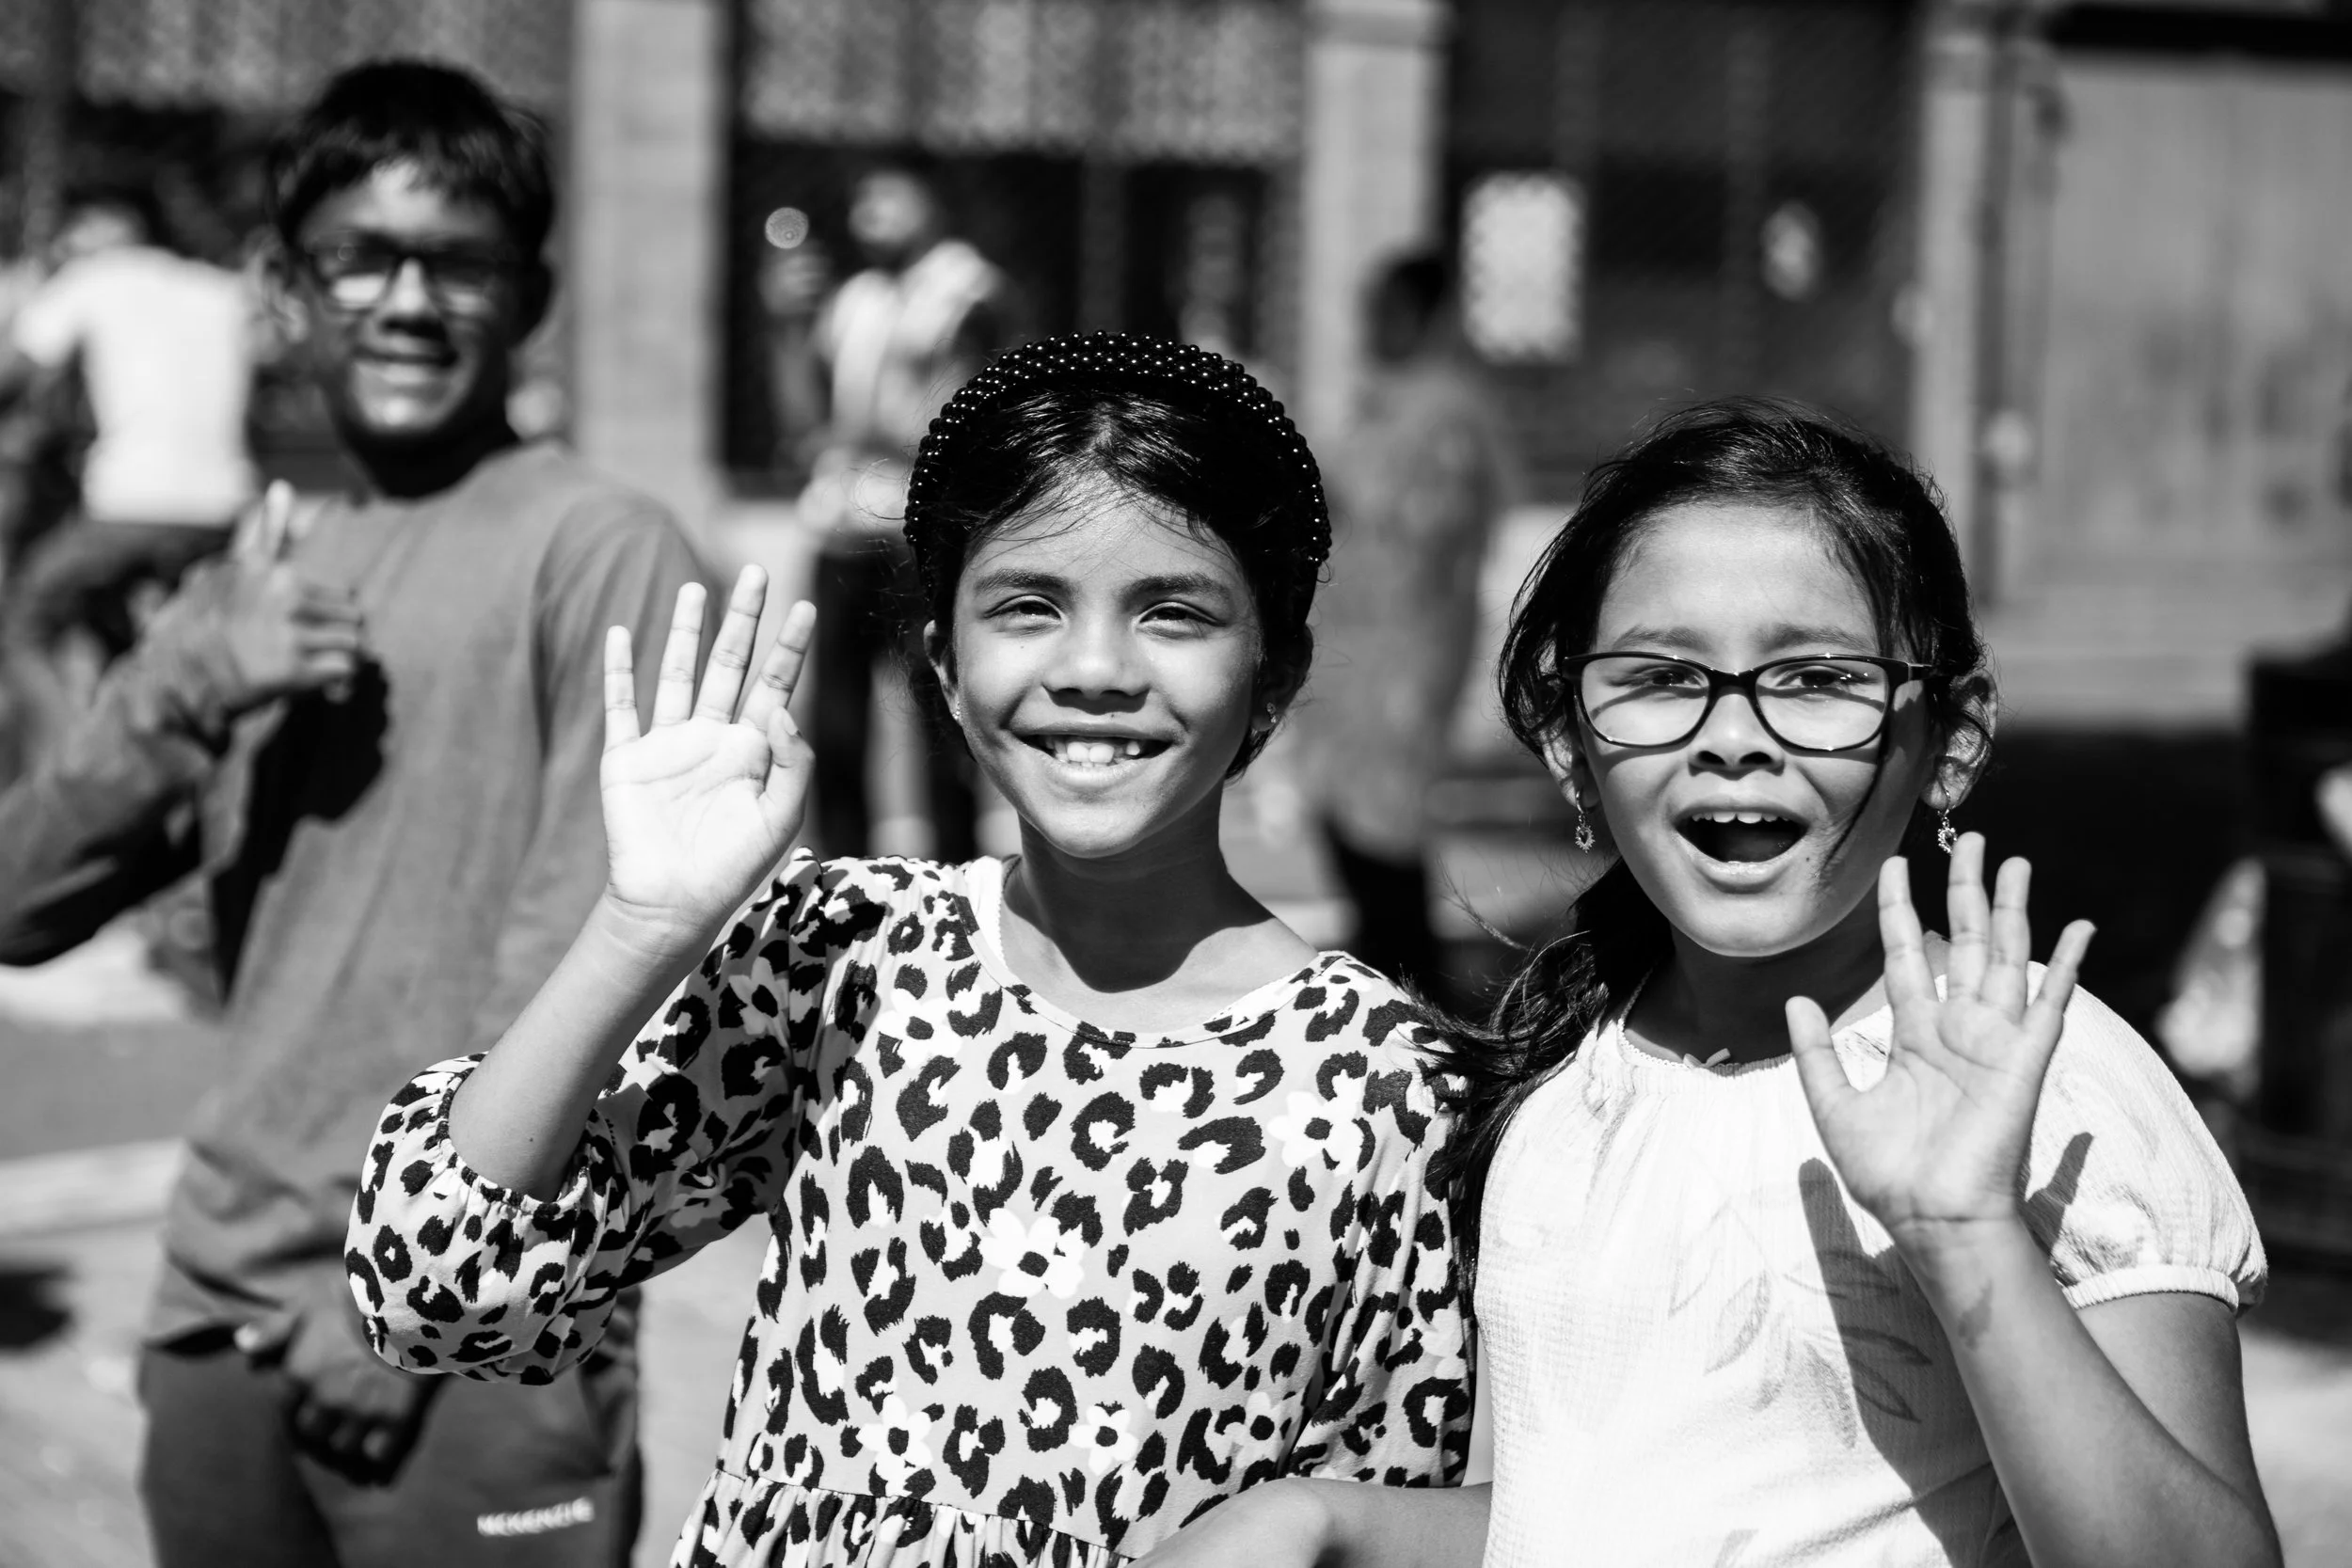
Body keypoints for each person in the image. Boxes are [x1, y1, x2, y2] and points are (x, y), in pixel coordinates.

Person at [347, 334, 1472, 1566]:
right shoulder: (844, 948)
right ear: (942, 661)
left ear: (1275, 672)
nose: (1094, 668)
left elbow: (1377, 1500)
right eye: (1028, 605)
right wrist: (643, 926)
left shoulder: (1390, 1087)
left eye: (1174, 610)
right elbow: (434, 1293)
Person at [1137, 400, 2280, 1568]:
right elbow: (1583, 1521)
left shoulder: (2044, 1082)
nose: (1734, 733)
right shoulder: (1562, 1088)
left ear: (1952, 738)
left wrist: (1967, 1232)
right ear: (1565, 733)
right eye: (1661, 674)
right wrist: (1324, 1517)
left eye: (1817, 674)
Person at [0, 61, 705, 1568]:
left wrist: (408, 1303)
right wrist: (191, 678)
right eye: (360, 259)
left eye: (456, 262)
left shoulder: (607, 551)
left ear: (533, 294)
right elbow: (22, 896)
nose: (405, 300)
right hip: (219, 1303)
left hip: (471, 1328)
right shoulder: (258, 570)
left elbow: (606, 965)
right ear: (285, 288)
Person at [768, 159, 1013, 862]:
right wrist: (784, 326)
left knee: (941, 721)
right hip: (841, 529)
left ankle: (958, 881)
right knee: (837, 727)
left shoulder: (971, 293)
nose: (868, 213)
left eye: (887, 194)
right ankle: (845, 876)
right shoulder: (855, 300)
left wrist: (861, 439)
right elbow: (805, 426)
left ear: (931, 199)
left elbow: (959, 421)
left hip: (922, 535)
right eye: (862, 199)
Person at [1293, 251, 1516, 1006]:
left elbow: (1436, 533)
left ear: (1426, 315)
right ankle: (1386, 977)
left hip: (1406, 648)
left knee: (1384, 828)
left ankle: (1413, 997)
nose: (1370, 325)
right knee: (1340, 811)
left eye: (1387, 308)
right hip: (1356, 643)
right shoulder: (1381, 400)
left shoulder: (1447, 409)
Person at [0, 186, 261, 759]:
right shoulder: (219, 287)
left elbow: (14, 375)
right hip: (224, 508)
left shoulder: (93, 279)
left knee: (23, 623)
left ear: (110, 226)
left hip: (130, 502)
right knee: (122, 625)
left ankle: (73, 768)